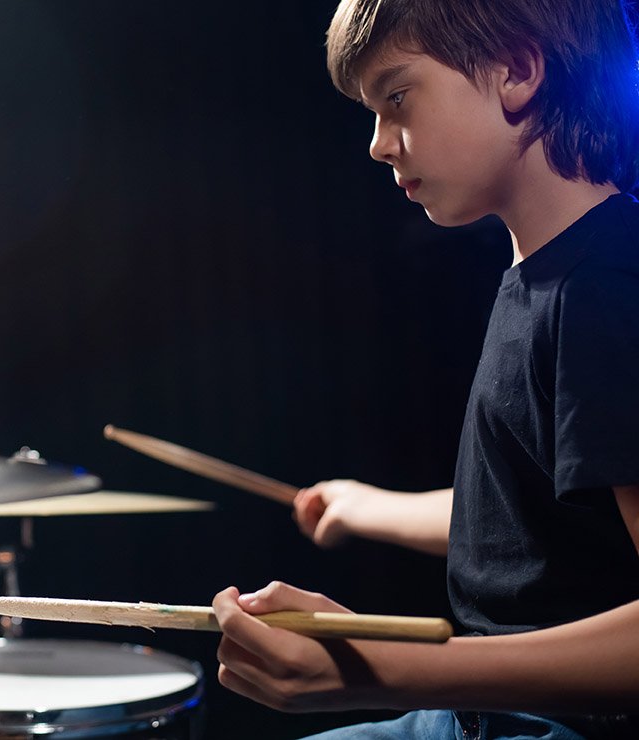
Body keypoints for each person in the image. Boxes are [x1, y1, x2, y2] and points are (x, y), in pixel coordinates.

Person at [212, 0, 639, 737]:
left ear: (517, 71)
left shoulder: (605, 290)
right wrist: (363, 506)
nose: (379, 145)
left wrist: (378, 665)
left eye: (397, 98)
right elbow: (544, 521)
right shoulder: (550, 273)